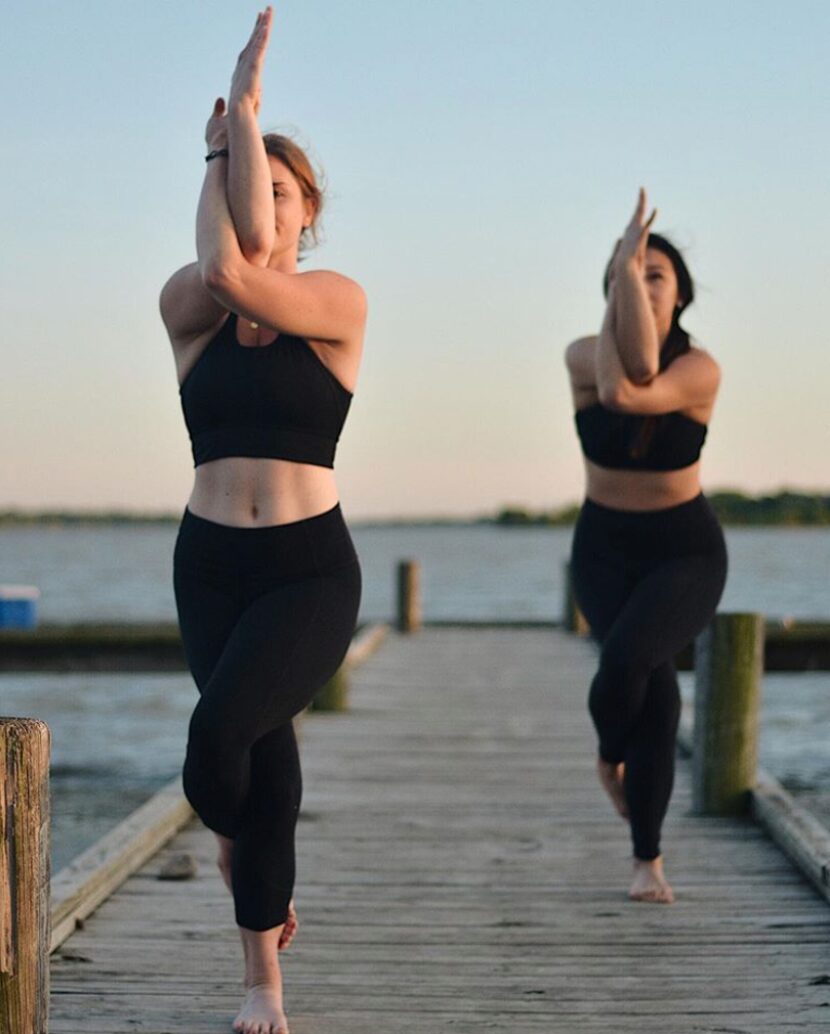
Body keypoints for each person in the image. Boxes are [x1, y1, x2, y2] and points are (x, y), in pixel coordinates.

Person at [159, 9, 366, 1032]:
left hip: (305, 572)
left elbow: (245, 273)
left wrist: (245, 112)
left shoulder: (336, 303)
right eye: (245, 180)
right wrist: (223, 138)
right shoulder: (185, 307)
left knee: (220, 735)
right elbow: (216, 275)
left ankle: (257, 966)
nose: (257, 204)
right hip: (209, 567)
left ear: (307, 212)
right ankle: (263, 973)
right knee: (250, 765)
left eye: (276, 189)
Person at [564, 190, 727, 904]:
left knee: (633, 659)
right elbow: (616, 370)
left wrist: (630, 263)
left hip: (684, 551)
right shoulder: (579, 356)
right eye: (630, 271)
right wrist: (626, 272)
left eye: (656, 273)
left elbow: (633, 394)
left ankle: (610, 766)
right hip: (602, 547)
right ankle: (647, 859)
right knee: (653, 697)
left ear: (681, 294)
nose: (640, 276)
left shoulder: (700, 371)